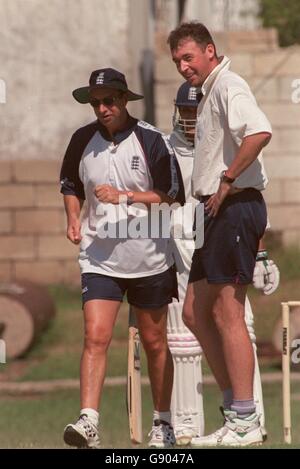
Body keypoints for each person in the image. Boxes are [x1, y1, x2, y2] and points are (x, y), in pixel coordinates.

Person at [59, 67, 185, 449]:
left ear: (125, 99)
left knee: (154, 342)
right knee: (95, 336)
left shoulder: (152, 140)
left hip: (149, 257)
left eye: (109, 100)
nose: (102, 108)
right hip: (99, 258)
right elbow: (69, 184)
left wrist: (125, 196)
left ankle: (162, 423)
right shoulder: (82, 139)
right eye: (96, 103)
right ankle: (89, 421)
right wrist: (73, 218)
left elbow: (171, 195)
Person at [168, 23, 273, 447]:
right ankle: (234, 411)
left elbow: (260, 131)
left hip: (233, 205)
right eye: (177, 60)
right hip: (214, 211)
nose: (183, 66)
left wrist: (227, 180)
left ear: (210, 51)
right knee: (194, 312)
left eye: (189, 57)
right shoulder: (209, 89)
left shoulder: (229, 83)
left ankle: (246, 420)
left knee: (230, 315)